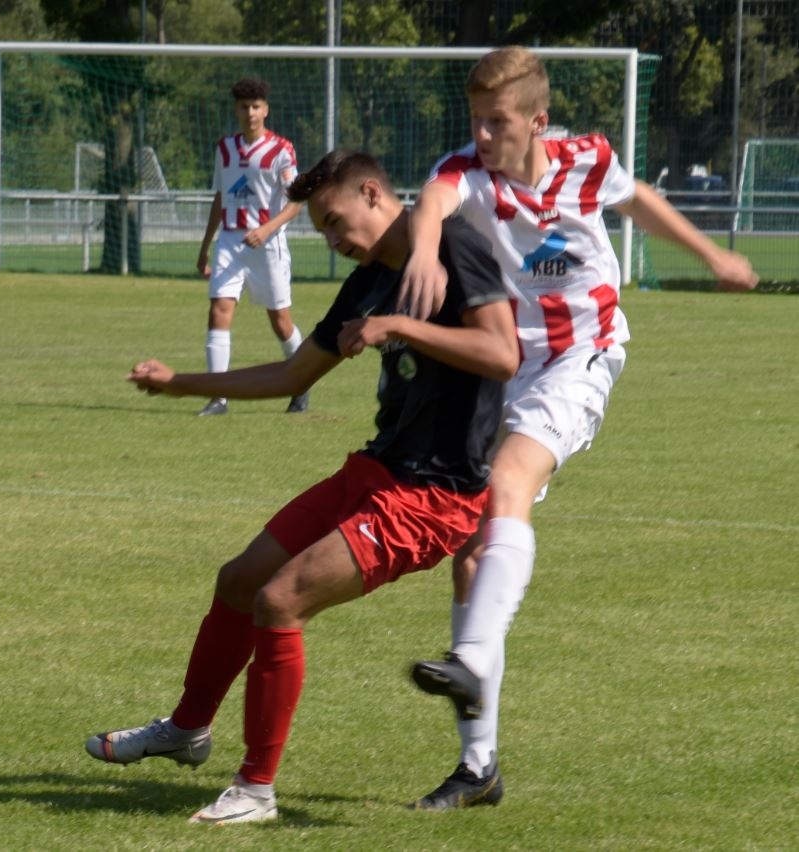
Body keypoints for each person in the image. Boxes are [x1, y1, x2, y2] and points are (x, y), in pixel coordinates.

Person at [86, 150, 519, 825]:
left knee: (279, 599)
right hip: (375, 471)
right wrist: (179, 383)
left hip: (434, 496)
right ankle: (186, 730)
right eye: (320, 229)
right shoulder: (370, 279)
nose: (331, 240)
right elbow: (291, 378)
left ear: (373, 192)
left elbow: (501, 354)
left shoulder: (453, 247)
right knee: (238, 579)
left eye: (333, 221)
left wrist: (400, 327)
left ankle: (255, 790)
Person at [398, 46, 760, 810]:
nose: (483, 134)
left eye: (496, 121)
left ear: (537, 121)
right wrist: (425, 248)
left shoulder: (587, 160)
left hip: (582, 355)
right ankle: (478, 767)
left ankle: (467, 658)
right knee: (469, 548)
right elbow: (432, 198)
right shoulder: (467, 169)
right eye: (475, 120)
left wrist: (710, 253)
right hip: (505, 368)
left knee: (505, 488)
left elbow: (641, 203)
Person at [194, 77, 308, 416]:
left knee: (280, 321)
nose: (250, 113)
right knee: (219, 310)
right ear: (236, 110)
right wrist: (205, 247)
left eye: (256, 106)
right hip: (230, 240)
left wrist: (267, 228)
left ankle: (303, 382)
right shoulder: (225, 149)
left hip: (268, 244)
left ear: (265, 110)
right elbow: (220, 198)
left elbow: (296, 202)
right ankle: (219, 397)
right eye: (244, 107)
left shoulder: (281, 150)